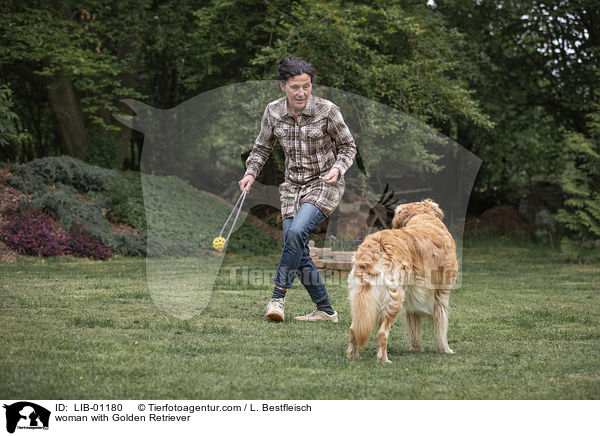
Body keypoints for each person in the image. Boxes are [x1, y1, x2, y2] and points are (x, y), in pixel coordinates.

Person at [238, 57, 357, 322]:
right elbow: (262, 147)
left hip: (324, 183)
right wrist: (250, 172)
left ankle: (277, 298)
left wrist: (338, 168)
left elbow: (349, 146)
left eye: (306, 86)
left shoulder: (327, 110)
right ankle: (325, 310)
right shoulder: (273, 112)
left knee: (296, 233)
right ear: (283, 86)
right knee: (297, 246)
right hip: (292, 187)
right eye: (295, 87)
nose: (301, 92)